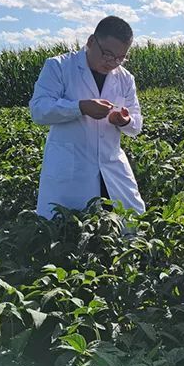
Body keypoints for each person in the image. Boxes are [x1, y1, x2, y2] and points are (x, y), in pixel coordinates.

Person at [29, 15, 145, 219]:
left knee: (128, 226)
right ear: (91, 42)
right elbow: (39, 109)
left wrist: (124, 120)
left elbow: (136, 123)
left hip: (111, 167)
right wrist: (80, 107)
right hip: (71, 172)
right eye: (108, 54)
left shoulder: (125, 78)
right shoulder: (59, 67)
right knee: (70, 232)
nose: (112, 63)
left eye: (120, 58)